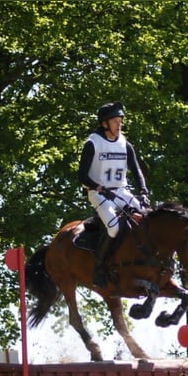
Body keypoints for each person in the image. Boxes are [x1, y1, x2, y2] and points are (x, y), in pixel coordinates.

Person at [78, 101, 149, 287]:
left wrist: (143, 191)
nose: (120, 125)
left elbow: (136, 170)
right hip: (98, 193)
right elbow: (82, 176)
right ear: (104, 124)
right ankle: (100, 267)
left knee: (146, 218)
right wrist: (99, 188)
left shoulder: (125, 144)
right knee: (114, 227)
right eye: (116, 121)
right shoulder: (93, 143)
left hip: (121, 191)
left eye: (120, 121)